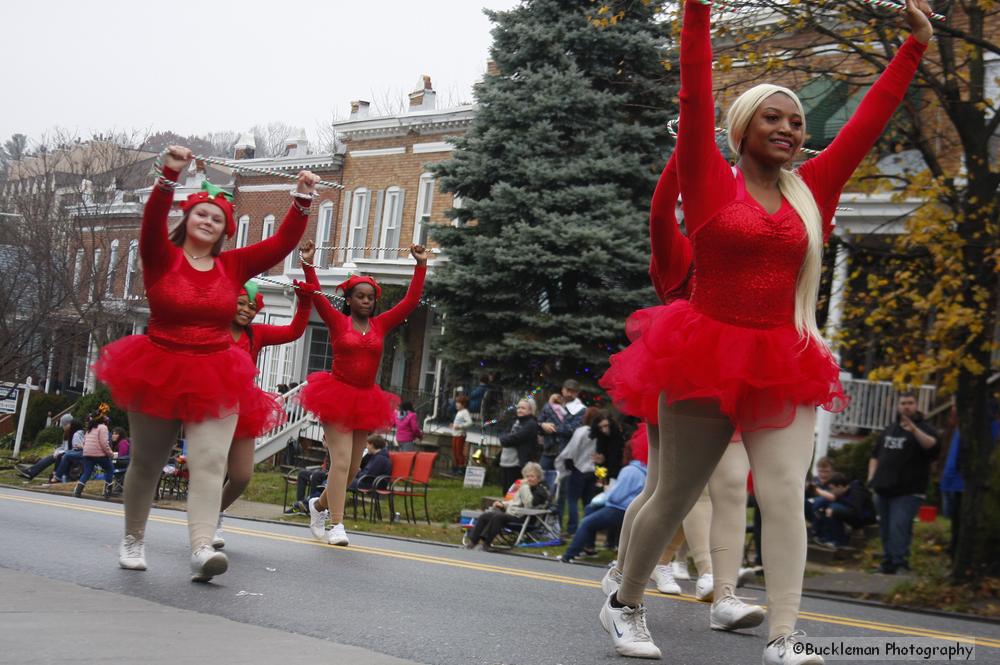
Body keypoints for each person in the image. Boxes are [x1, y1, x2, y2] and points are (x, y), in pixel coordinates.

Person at [598, 2, 933, 660]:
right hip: (704, 349)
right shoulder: (710, 180)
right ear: (742, 128)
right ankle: (626, 602)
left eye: (797, 121)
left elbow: (867, 124)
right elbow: (694, 88)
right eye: (773, 117)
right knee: (674, 493)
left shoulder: (814, 188)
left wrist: (913, 50)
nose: (788, 128)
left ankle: (784, 636)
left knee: (784, 494)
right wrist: (697, 10)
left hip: (784, 355)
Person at [92, 145, 316, 582]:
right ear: (188, 219)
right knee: (147, 462)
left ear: (224, 231)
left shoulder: (232, 267)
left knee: (212, 462)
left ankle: (200, 546)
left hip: (215, 369)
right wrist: (169, 174)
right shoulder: (161, 257)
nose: (209, 221)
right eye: (202, 214)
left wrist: (302, 200)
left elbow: (281, 244)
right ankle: (134, 538)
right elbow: (151, 220)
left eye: (218, 218)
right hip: (159, 365)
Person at [300, 245, 428, 546]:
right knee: (341, 463)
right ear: (349, 299)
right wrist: (308, 265)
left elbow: (411, 301)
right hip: (336, 395)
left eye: (371, 297)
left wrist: (420, 266)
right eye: (360, 296)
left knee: (354, 467)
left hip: (365, 399)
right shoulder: (337, 321)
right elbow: (316, 295)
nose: (367, 301)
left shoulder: (379, 325)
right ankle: (337, 525)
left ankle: (317, 506)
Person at [213, 240, 317, 549]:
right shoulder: (212, 329)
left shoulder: (255, 334)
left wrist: (305, 299)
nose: (246, 310)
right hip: (210, 407)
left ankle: (214, 513)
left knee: (242, 476)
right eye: (241, 303)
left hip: (244, 408)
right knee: (211, 471)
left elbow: (294, 331)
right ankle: (204, 526)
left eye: (252, 307)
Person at [868, 391, 940, 574]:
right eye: (903, 403)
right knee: (885, 528)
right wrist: (871, 477)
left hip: (908, 491)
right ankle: (888, 562)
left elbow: (932, 446)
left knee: (899, 526)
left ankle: (900, 563)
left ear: (916, 406)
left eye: (910, 403)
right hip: (883, 488)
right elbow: (875, 455)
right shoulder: (889, 429)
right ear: (898, 406)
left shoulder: (925, 428)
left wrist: (914, 430)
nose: (906, 406)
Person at [561, 428, 648, 562]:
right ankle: (588, 548)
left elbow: (616, 497)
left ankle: (569, 555)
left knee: (586, 523)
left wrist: (607, 493)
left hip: (619, 509)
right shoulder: (644, 471)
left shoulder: (630, 470)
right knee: (590, 509)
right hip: (629, 510)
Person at [465, 462, 549, 551]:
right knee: (485, 516)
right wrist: (503, 504)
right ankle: (473, 542)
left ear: (538, 478)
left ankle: (486, 543)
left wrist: (524, 487)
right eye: (527, 476)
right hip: (516, 514)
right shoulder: (526, 487)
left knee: (498, 517)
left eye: (532, 476)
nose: (529, 479)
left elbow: (529, 504)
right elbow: (515, 502)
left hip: (527, 518)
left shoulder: (541, 491)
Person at [555, 407, 603, 535]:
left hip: (578, 469)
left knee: (572, 500)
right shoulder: (600, 434)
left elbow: (572, 449)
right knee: (588, 502)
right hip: (593, 471)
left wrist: (567, 462)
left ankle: (572, 529)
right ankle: (586, 530)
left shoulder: (581, 431)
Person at [813, 473, 876, 548]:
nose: (831, 491)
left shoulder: (856, 489)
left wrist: (836, 499)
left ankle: (839, 541)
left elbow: (855, 508)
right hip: (851, 514)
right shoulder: (843, 492)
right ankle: (827, 538)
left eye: (832, 488)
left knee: (833, 509)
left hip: (863, 517)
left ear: (839, 487)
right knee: (824, 507)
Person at [16, 416, 78, 481]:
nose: (63, 427)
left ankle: (31, 472)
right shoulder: (66, 433)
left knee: (53, 457)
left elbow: (73, 449)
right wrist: (57, 450)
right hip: (64, 454)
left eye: (65, 425)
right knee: (52, 456)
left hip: (71, 456)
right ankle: (31, 472)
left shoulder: (75, 434)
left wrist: (60, 452)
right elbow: (63, 446)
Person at [498, 399, 541, 492]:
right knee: (505, 491)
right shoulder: (514, 421)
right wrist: (504, 439)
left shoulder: (531, 424)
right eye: (518, 408)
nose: (519, 410)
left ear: (530, 410)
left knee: (513, 492)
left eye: (523, 408)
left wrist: (505, 439)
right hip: (506, 461)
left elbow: (516, 438)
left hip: (517, 464)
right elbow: (503, 434)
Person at [74, 412, 115, 498]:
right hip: (98, 454)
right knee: (109, 468)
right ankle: (107, 491)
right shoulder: (103, 427)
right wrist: (111, 454)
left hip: (87, 454)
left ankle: (78, 490)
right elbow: (104, 444)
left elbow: (85, 442)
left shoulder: (90, 428)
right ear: (102, 419)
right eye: (105, 417)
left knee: (87, 472)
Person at [537, 393, 567, 472]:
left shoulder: (568, 411)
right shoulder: (547, 409)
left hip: (563, 451)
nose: (558, 399)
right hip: (549, 449)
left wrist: (553, 428)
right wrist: (542, 425)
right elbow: (538, 425)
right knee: (541, 474)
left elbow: (569, 429)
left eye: (560, 397)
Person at [52, 418, 87, 483]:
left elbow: (76, 446)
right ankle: (60, 476)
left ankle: (57, 476)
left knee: (65, 456)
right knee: (64, 456)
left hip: (81, 452)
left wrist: (79, 446)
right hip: (81, 451)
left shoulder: (76, 434)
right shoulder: (82, 432)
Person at [450, 395, 473, 474]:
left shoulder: (465, 412)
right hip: (455, 434)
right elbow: (458, 423)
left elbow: (470, 422)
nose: (456, 404)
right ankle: (455, 467)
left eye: (458, 403)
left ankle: (461, 468)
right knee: (454, 451)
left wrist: (459, 426)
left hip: (460, 435)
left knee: (459, 452)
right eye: (456, 402)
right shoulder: (459, 412)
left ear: (463, 404)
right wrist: (453, 425)